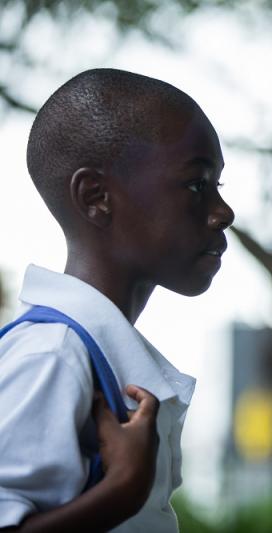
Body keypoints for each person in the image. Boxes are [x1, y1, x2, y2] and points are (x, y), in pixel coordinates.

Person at [0, 68, 234, 531]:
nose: (224, 212)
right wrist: (121, 490)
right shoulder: (52, 355)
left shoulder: (89, 352)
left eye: (217, 187)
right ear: (96, 197)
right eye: (196, 184)